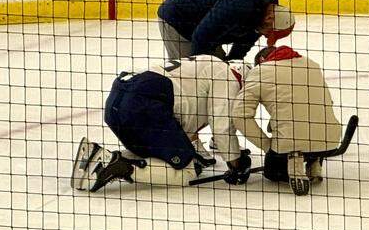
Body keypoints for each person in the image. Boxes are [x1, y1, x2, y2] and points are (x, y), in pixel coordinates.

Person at [71, 55, 252, 193]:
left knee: (150, 153)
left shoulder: (209, 63)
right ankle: (116, 166)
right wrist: (236, 164)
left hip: (119, 101)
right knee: (187, 171)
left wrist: (190, 151)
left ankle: (97, 157)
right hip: (143, 103)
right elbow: (222, 128)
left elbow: (186, 113)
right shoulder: (229, 78)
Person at [234, 45, 344, 195]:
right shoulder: (311, 64)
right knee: (306, 126)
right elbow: (328, 103)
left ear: (261, 60)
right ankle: (314, 160)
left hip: (290, 142)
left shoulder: (260, 71)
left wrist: (267, 146)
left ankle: (295, 160)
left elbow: (239, 115)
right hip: (331, 139)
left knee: (272, 172)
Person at [156, 0, 295, 61]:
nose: (265, 36)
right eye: (269, 33)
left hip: (207, 29)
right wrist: (198, 71)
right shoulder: (240, 4)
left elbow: (244, 42)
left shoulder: (266, 12)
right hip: (177, 19)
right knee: (186, 77)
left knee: (218, 71)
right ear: (269, 19)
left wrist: (232, 63)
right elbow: (201, 38)